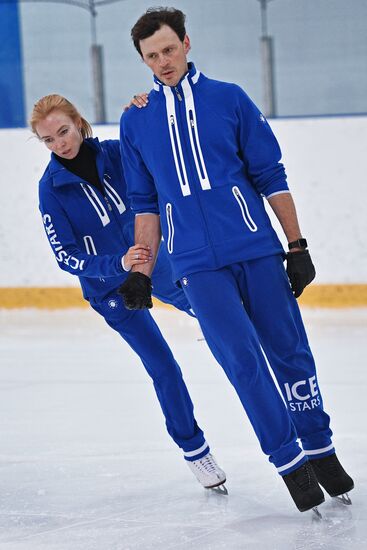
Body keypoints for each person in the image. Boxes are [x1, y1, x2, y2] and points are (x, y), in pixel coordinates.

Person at [118, 7, 354, 513]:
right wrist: (142, 272)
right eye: (151, 56)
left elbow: (271, 174)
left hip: (256, 249)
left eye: (169, 49)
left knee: (290, 351)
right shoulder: (136, 118)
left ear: (186, 42)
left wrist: (297, 245)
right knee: (242, 363)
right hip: (196, 266)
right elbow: (143, 202)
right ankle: (290, 463)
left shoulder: (229, 98)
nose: (163, 62)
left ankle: (321, 448)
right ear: (143, 59)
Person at [30, 94, 227, 492]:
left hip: (159, 265)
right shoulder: (51, 190)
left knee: (222, 318)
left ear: (78, 122)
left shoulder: (118, 153)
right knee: (164, 367)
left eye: (63, 132)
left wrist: (146, 109)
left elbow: (163, 153)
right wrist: (115, 265)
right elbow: (64, 256)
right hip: (111, 291)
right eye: (48, 140)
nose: (60, 145)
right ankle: (195, 450)